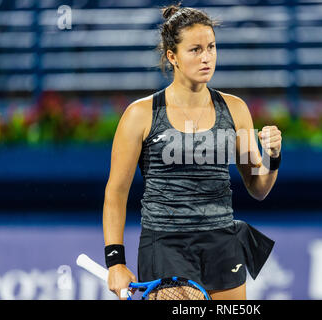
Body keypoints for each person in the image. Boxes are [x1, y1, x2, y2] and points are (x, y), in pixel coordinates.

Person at [102, 3, 282, 300]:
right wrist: (115, 261)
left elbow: (258, 188)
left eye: (211, 47)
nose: (207, 57)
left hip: (223, 243)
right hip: (165, 246)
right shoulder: (140, 114)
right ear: (172, 56)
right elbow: (116, 193)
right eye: (195, 50)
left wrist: (273, 158)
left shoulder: (236, 110)